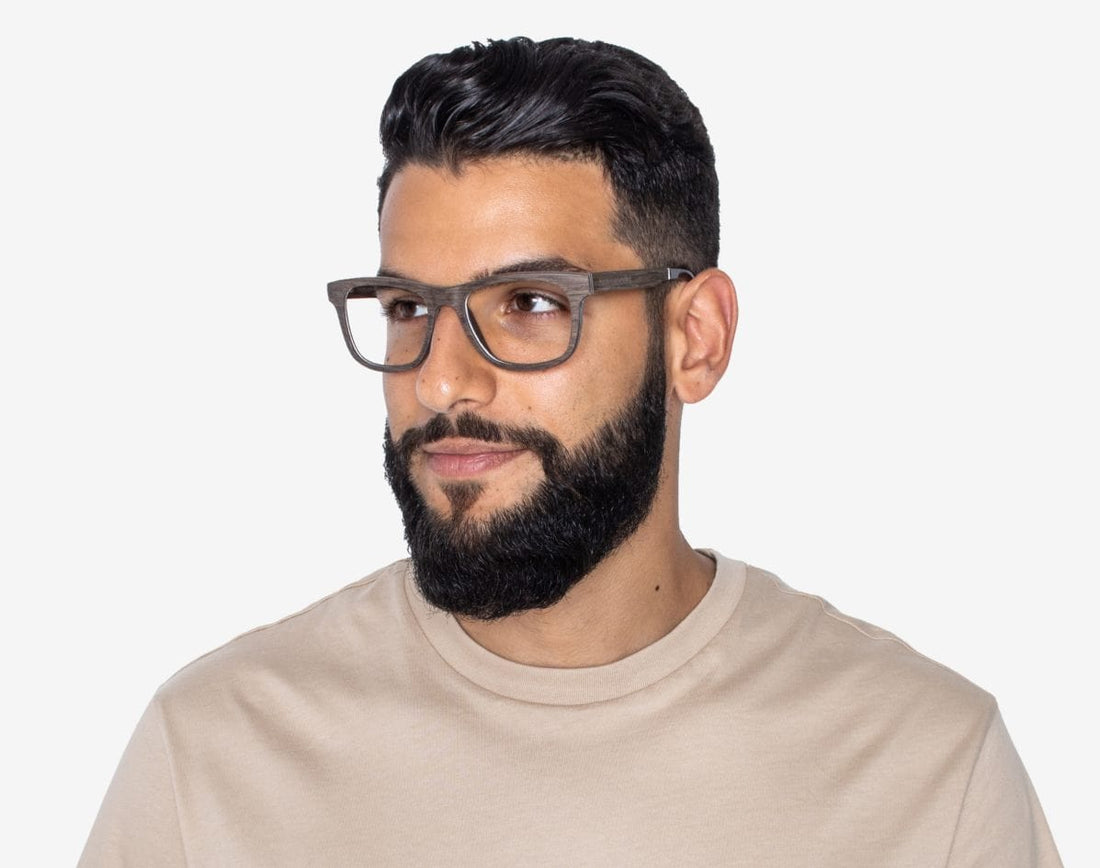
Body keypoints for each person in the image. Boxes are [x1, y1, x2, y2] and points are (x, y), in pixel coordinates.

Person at [79, 36, 1061, 866]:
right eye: (410, 308)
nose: (441, 379)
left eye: (531, 304)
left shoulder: (925, 773)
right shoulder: (210, 759)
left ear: (694, 339)